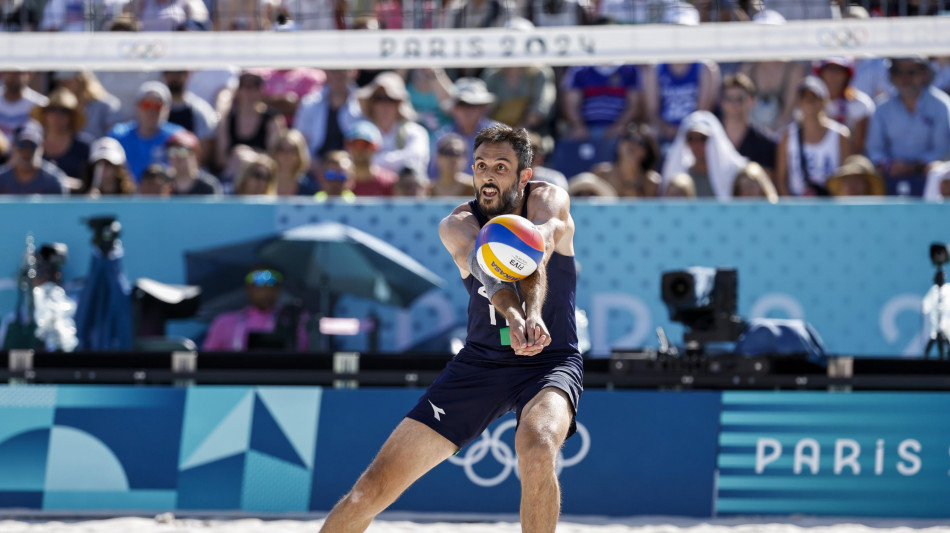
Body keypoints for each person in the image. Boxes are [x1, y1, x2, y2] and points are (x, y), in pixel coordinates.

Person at [319, 124, 581, 533]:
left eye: (500, 166)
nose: (488, 176)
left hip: (549, 360)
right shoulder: (457, 224)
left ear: (524, 175)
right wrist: (515, 318)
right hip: (481, 363)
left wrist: (533, 316)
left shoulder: (548, 199)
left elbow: (537, 251)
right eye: (480, 166)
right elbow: (489, 273)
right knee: (369, 490)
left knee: (537, 447)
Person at [866, 56, 950, 197]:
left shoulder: (941, 105)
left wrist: (915, 166)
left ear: (924, 74)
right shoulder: (881, 107)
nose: (905, 78)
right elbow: (874, 150)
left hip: (931, 179)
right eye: (899, 72)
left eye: (911, 72)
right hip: (889, 178)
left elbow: (941, 149)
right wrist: (889, 165)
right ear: (892, 76)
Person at [775, 76, 850, 197]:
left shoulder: (840, 135)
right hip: (797, 205)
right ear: (799, 102)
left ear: (824, 101)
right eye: (804, 98)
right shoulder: (787, 136)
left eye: (814, 98)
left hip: (831, 203)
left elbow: (848, 175)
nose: (809, 102)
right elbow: (781, 179)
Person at [202, 267, 308, 351]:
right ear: (249, 289)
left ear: (278, 290)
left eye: (271, 284)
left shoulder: (294, 321)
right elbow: (207, 362)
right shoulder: (224, 322)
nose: (264, 290)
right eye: (258, 284)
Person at [356, 71, 430, 177]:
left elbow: (415, 159)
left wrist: (373, 163)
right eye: (379, 98)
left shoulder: (415, 131)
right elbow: (354, 161)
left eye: (391, 99)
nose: (384, 105)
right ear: (371, 102)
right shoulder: (362, 132)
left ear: (399, 103)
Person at [107, 81, 184, 181]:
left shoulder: (178, 137)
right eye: (147, 105)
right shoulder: (118, 135)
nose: (152, 111)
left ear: (167, 109)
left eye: (158, 106)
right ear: (137, 106)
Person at [661, 111, 747, 199]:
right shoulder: (679, 176)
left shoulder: (734, 173)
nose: (697, 144)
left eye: (702, 138)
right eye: (691, 139)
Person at [30, 87, 92, 189]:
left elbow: (90, 184)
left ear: (72, 117)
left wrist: (61, 182)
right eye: (52, 109)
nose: (56, 115)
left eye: (64, 111)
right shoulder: (31, 141)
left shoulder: (84, 146)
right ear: (44, 114)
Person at [0, 120, 68, 195]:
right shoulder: (1, 178)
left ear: (42, 147)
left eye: (32, 145)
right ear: (13, 146)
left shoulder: (54, 180)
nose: (27, 151)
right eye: (21, 145)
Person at [344, 120, 397, 196]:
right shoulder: (340, 184)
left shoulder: (390, 183)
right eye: (355, 144)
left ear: (376, 147)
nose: (360, 149)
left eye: (366, 144)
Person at [165, 129, 223, 196]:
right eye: (173, 151)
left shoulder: (208, 186)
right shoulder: (161, 185)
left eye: (183, 151)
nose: (178, 156)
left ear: (196, 155)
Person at [0, 71, 49, 137]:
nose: (13, 76)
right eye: (9, 71)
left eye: (18, 72)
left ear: (29, 74)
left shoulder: (41, 104)